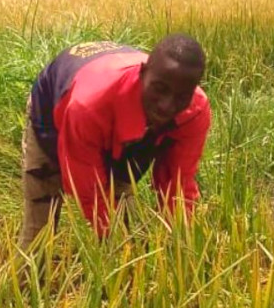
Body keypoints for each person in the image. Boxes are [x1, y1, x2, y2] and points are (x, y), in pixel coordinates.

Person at [20, 34, 211, 245]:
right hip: (55, 110)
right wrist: (111, 237)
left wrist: (182, 244)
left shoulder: (195, 110)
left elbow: (178, 185)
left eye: (181, 96)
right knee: (39, 229)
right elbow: (87, 189)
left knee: (125, 230)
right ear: (142, 73)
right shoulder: (88, 106)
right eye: (159, 89)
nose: (167, 105)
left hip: (117, 114)